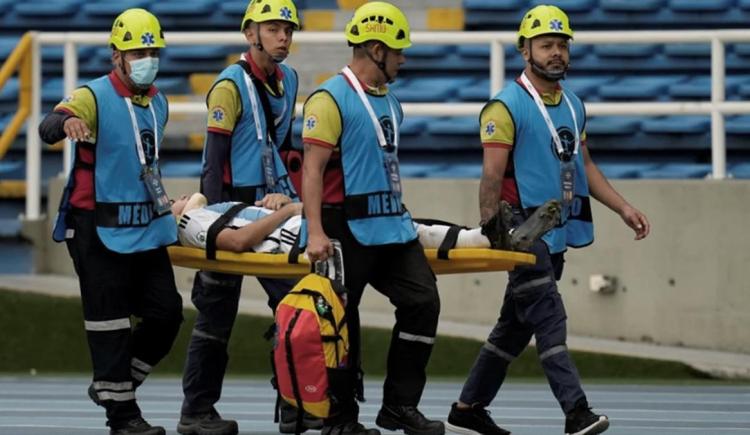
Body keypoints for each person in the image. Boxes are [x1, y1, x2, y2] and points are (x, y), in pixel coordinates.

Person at [445, 5, 651, 435]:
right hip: (521, 233)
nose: (556, 52)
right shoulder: (504, 107)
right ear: (525, 50)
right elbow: (491, 177)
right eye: (546, 45)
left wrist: (623, 207)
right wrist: (494, 230)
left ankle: (468, 407)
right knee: (550, 318)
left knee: (513, 329)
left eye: (562, 44)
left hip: (555, 233)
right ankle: (576, 411)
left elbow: (585, 165)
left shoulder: (574, 105)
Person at [301, 2, 447, 435]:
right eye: (398, 50)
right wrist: (315, 230)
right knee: (343, 322)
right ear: (375, 49)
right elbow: (311, 170)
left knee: (423, 303)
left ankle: (399, 406)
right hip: (343, 226)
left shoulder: (391, 103)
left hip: (391, 226)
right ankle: (341, 419)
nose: (403, 58)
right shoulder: (329, 98)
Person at [38, 9, 181, 435]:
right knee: (110, 322)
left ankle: (113, 384)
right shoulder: (92, 96)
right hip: (95, 226)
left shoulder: (159, 101)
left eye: (153, 50)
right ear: (117, 54)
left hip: (146, 227)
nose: (147, 58)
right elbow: (48, 126)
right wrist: (69, 122)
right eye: (139, 51)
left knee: (167, 314)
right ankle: (123, 416)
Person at [177, 1, 306, 434]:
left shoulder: (290, 80)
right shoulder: (228, 87)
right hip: (228, 210)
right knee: (215, 317)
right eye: (273, 29)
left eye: (288, 29)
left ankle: (292, 403)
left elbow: (289, 153)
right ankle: (196, 412)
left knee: (297, 305)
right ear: (251, 33)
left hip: (270, 212)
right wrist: (211, 228)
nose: (283, 37)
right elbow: (213, 165)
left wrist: (291, 198)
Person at [171, 192, 517, 254]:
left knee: (396, 221)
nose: (178, 197)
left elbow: (253, 224)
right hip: (300, 235)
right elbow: (236, 243)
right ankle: (484, 238)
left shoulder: (215, 208)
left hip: (299, 221)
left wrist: (280, 203)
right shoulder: (189, 223)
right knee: (388, 224)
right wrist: (289, 212)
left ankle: (485, 237)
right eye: (172, 202)